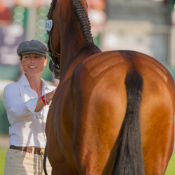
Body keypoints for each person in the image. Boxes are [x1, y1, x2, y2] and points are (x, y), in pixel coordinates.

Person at [3, 40, 56, 175]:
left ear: (45, 61)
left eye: (37, 57)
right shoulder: (11, 89)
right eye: (27, 57)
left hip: (50, 160)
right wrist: (46, 98)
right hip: (19, 158)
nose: (32, 61)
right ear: (21, 61)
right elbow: (18, 112)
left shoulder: (53, 90)